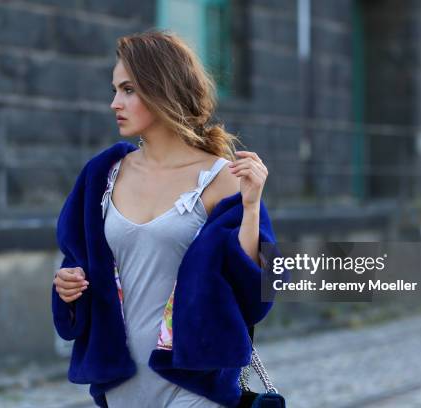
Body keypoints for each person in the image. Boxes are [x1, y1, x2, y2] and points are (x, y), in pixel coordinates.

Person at [52, 30, 278, 408]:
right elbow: (76, 262)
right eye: (114, 90)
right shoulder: (101, 175)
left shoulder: (222, 178)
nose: (114, 103)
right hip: (121, 382)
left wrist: (252, 208)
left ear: (161, 90)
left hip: (194, 384)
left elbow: (256, 289)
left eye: (127, 90)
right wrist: (67, 285)